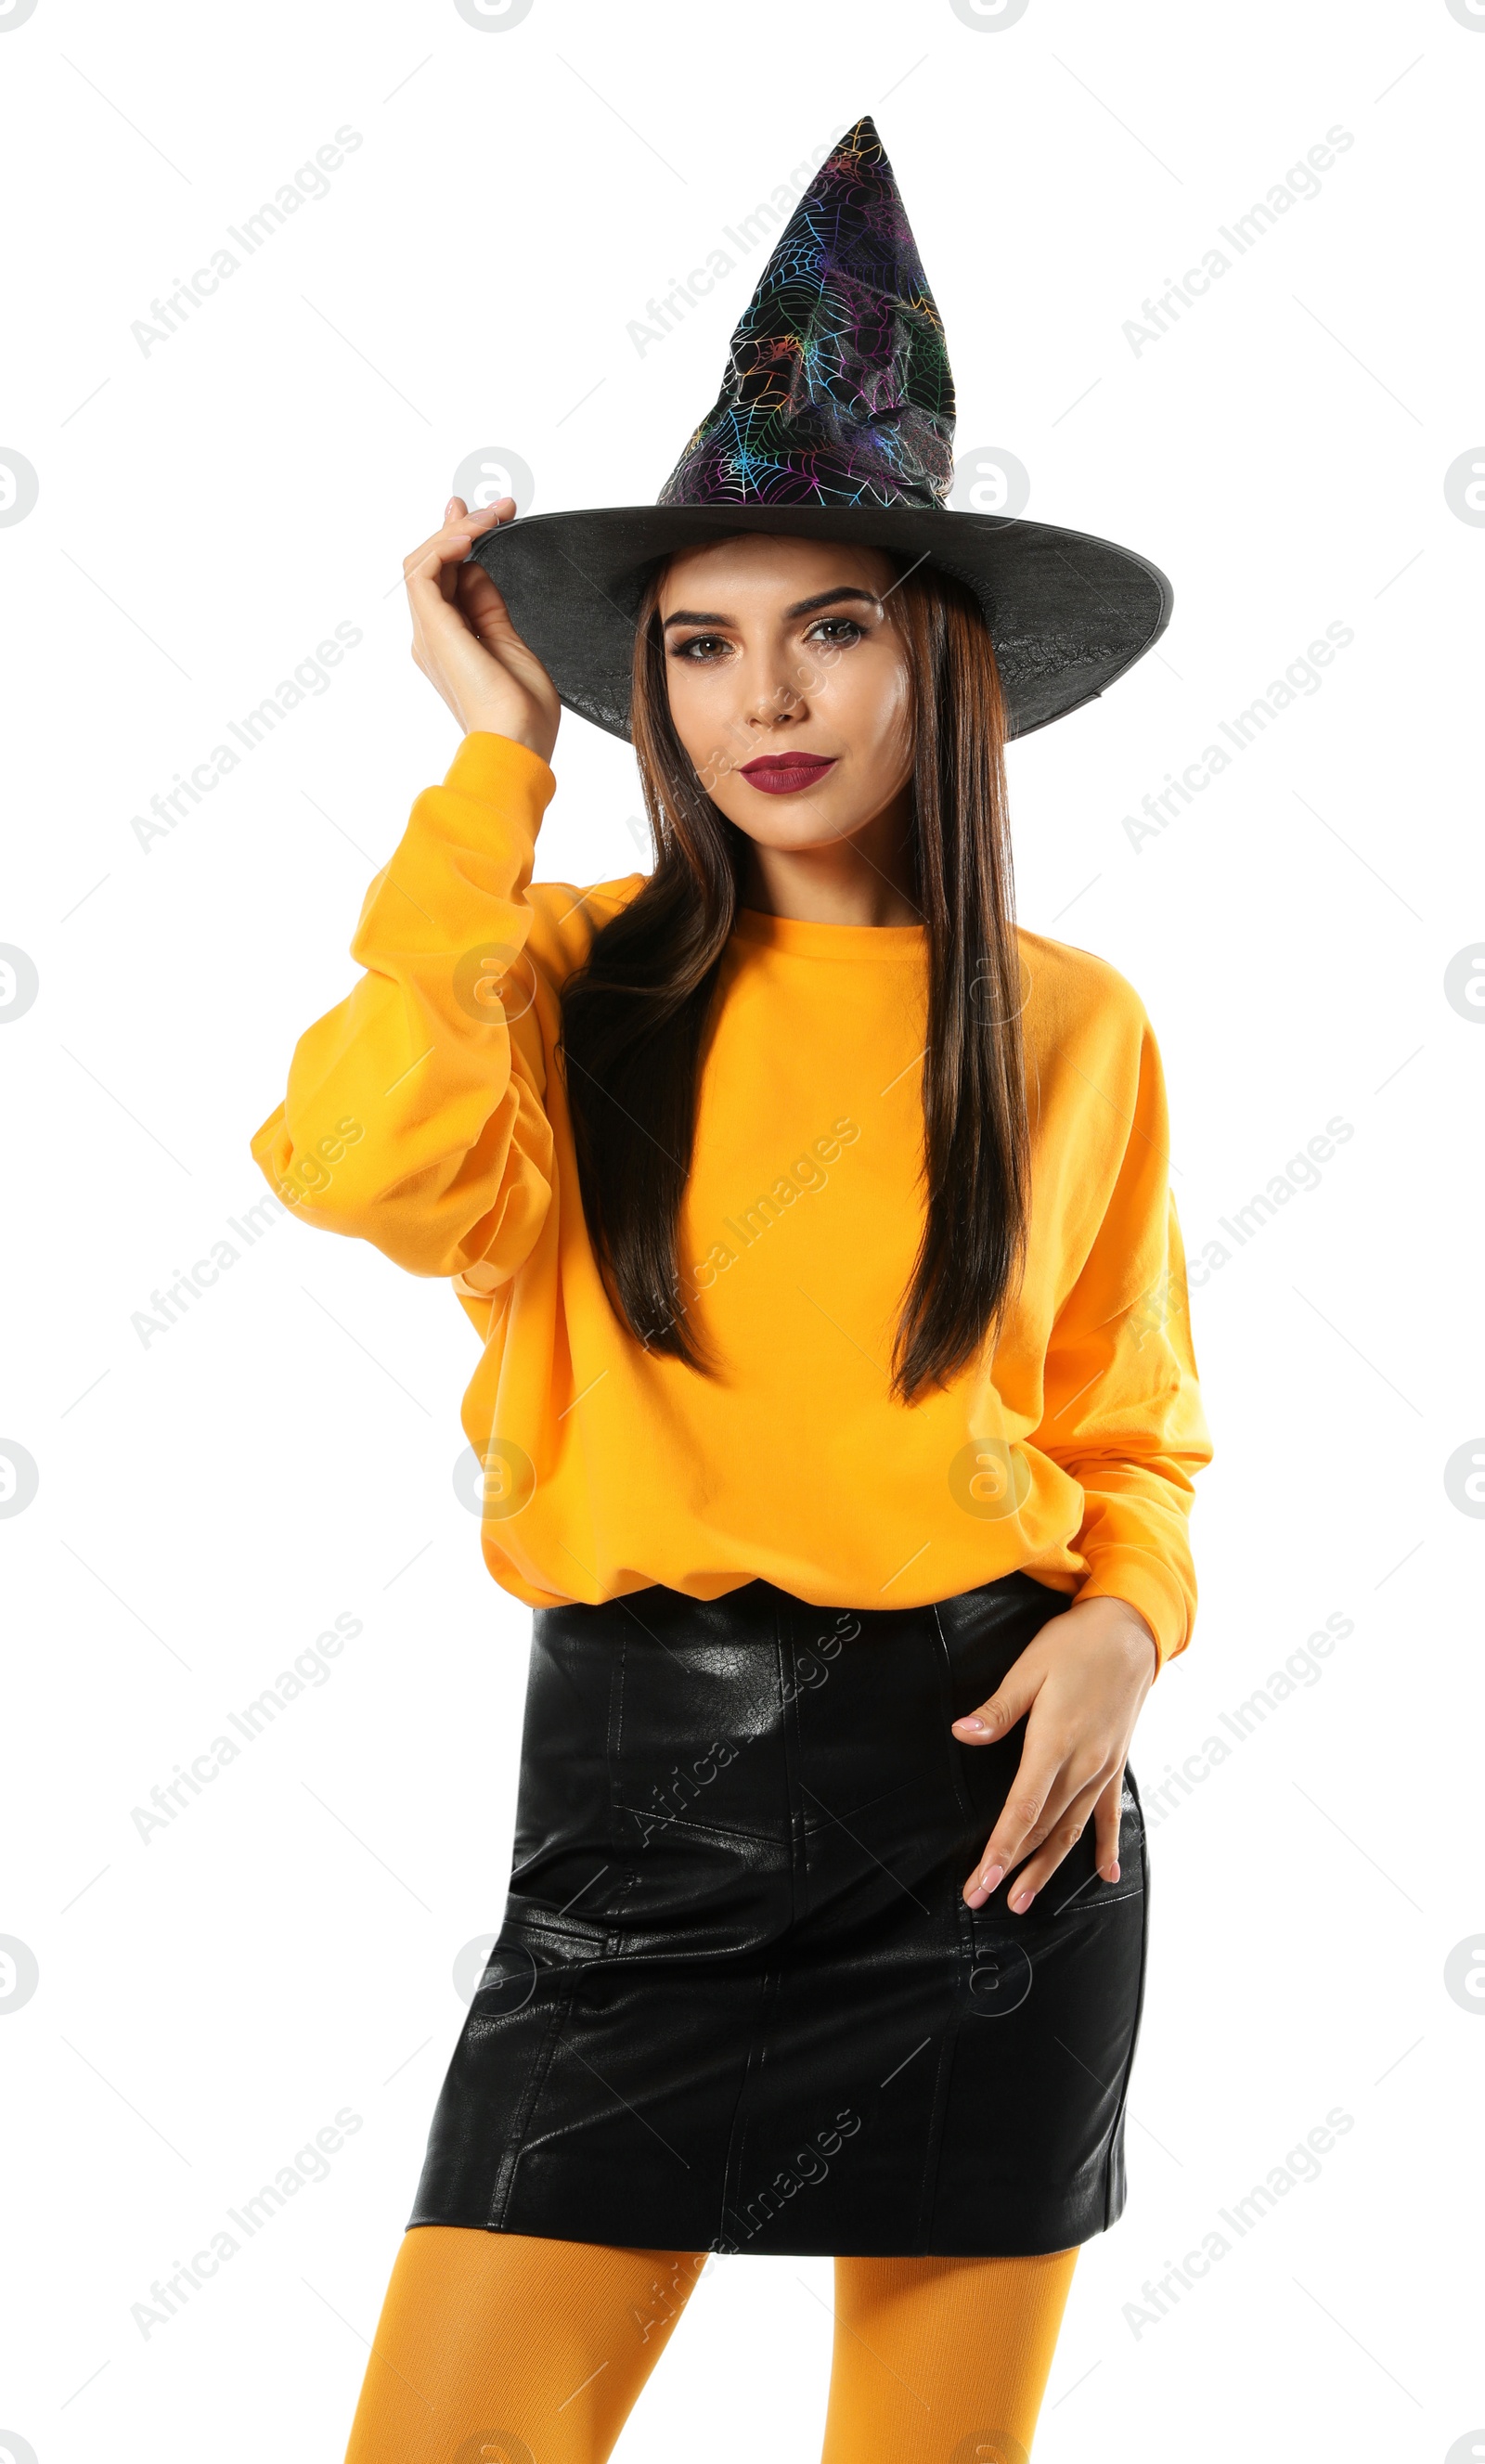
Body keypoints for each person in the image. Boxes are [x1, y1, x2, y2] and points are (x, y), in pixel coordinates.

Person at [250, 118, 1212, 2464]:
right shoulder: (565, 978)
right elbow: (359, 1158)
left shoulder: (1068, 1021)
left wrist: (1123, 1617)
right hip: (636, 1819)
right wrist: (490, 773)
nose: (756, 696)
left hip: (998, 1814)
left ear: (935, 656)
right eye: (695, 640)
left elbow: (1126, 1432)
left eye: (829, 625)